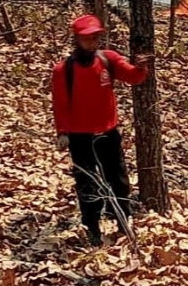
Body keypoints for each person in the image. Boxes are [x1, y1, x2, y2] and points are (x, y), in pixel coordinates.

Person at [51, 14, 153, 246]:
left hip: (108, 133)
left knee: (118, 180)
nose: (93, 41)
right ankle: (93, 227)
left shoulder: (109, 59)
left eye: (96, 36)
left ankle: (122, 220)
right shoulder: (63, 70)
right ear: (77, 39)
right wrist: (63, 132)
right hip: (79, 137)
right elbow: (60, 104)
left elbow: (132, 77)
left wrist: (141, 67)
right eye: (88, 37)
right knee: (87, 183)